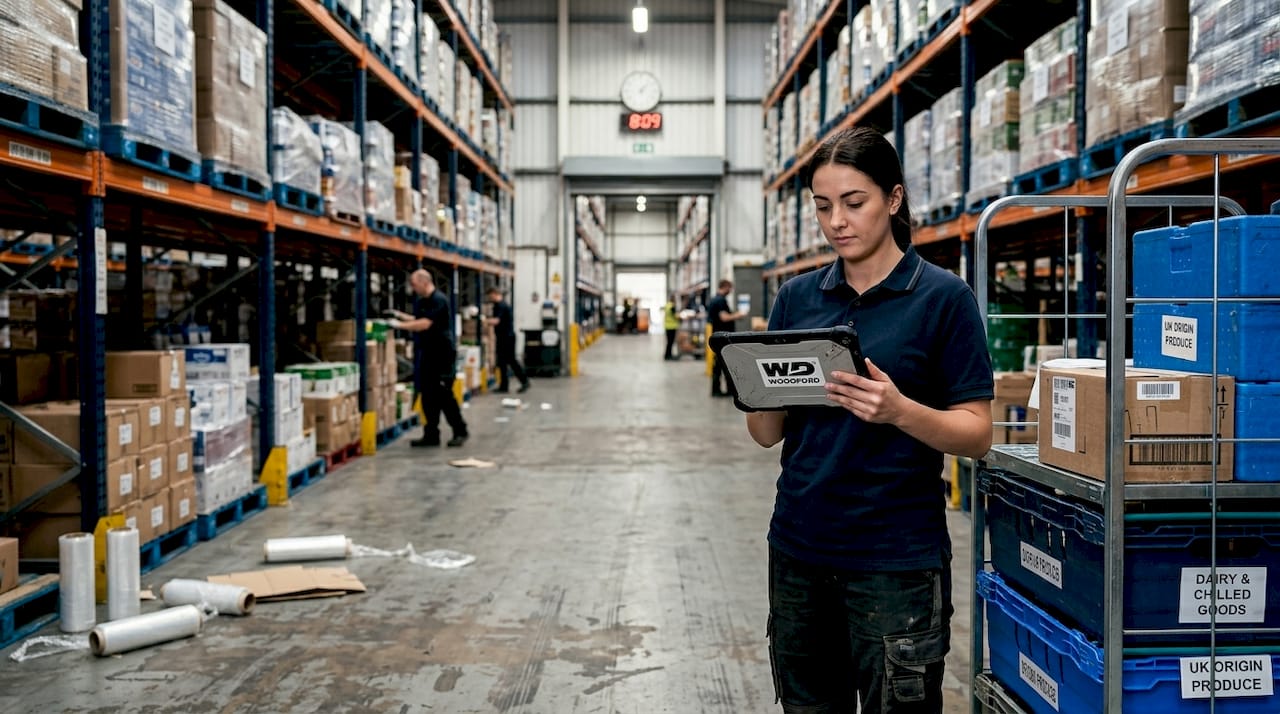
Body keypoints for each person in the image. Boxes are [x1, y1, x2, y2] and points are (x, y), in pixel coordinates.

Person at [745, 126, 994, 713]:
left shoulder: (942, 298)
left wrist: (899, 410)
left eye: (853, 203)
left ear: (894, 199)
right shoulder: (796, 299)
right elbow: (765, 435)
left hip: (895, 561)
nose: (837, 221)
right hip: (800, 550)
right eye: (823, 206)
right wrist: (756, 383)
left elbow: (977, 433)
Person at [388, 269, 469, 448]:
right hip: (429, 354)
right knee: (428, 396)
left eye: (415, 284)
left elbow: (425, 323)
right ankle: (431, 434)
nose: (413, 288)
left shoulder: (439, 300)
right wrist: (399, 315)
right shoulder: (424, 301)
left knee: (444, 396)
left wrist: (399, 325)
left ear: (425, 282)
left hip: (442, 355)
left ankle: (460, 430)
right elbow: (418, 318)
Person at [485, 286, 530, 393]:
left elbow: (496, 321)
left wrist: (484, 320)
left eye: (491, 295)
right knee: (502, 362)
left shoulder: (501, 305)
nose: (490, 298)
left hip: (507, 337)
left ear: (495, 294)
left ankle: (524, 381)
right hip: (502, 337)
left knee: (511, 360)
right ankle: (504, 386)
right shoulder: (498, 305)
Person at [708, 279, 747, 397]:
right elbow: (724, 318)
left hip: (718, 337)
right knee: (724, 364)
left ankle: (718, 389)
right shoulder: (720, 300)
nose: (730, 291)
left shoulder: (715, 299)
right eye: (729, 288)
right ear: (725, 287)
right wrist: (738, 315)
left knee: (720, 365)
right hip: (722, 339)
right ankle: (721, 390)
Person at [663, 294, 680, 360]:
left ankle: (668, 355)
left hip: (667, 326)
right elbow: (675, 316)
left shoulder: (667, 305)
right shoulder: (672, 306)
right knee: (670, 342)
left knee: (669, 342)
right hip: (671, 327)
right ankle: (668, 355)